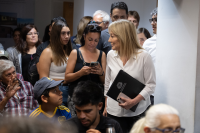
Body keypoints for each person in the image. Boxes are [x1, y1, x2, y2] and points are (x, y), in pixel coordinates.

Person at [104, 19, 156, 133]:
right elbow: (108, 81)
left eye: (112, 36)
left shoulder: (144, 56)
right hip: (113, 111)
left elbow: (151, 85)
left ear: (123, 37)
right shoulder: (110, 55)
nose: (109, 40)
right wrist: (105, 105)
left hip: (137, 112)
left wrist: (134, 101)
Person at [65, 22, 106, 116]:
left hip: (94, 98)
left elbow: (104, 81)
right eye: (90, 39)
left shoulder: (102, 54)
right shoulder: (75, 53)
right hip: (76, 98)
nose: (92, 43)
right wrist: (80, 73)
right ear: (84, 36)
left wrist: (101, 73)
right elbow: (67, 78)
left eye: (96, 40)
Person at [38, 20, 72, 107]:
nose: (67, 36)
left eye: (68, 33)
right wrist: (65, 80)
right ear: (56, 35)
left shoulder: (69, 51)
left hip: (71, 89)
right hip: (56, 89)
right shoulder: (48, 52)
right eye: (63, 33)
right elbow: (43, 79)